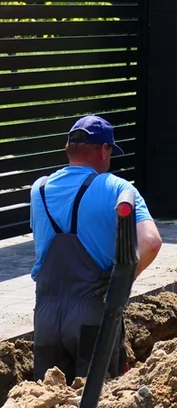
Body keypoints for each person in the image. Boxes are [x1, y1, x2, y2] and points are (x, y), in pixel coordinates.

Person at [29, 115, 162, 383]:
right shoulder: (117, 188)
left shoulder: (38, 189)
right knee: (94, 400)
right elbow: (151, 242)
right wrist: (121, 278)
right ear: (104, 150)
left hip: (45, 316)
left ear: (69, 149)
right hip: (91, 314)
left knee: (47, 400)